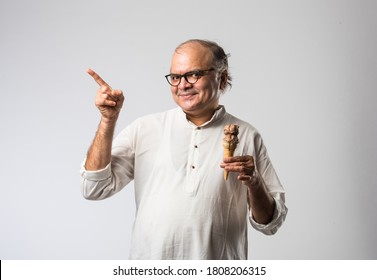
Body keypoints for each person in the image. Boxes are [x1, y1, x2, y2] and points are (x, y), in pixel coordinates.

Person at [80, 39, 287, 260]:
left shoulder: (247, 135)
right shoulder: (145, 128)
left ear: (222, 78)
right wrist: (107, 121)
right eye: (176, 77)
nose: (183, 85)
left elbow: (270, 223)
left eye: (194, 74)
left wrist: (255, 182)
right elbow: (94, 189)